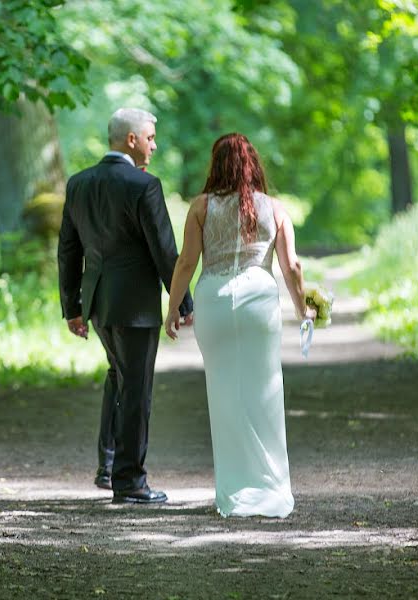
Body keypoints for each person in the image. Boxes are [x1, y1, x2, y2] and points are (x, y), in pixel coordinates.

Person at [164, 133, 316, 518]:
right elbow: (291, 266)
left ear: (216, 165)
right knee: (265, 392)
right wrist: (303, 310)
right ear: (253, 165)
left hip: (214, 301)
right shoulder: (275, 209)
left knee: (224, 395)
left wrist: (172, 308)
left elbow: (186, 263)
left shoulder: (201, 207)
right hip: (258, 302)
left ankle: (232, 492)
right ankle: (270, 489)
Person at [58, 108, 194, 504]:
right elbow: (165, 251)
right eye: (150, 137)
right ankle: (131, 482)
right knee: (136, 388)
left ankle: (109, 465)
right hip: (135, 305)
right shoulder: (144, 185)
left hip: (98, 302)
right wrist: (183, 300)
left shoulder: (78, 183)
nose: (155, 145)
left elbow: (67, 250)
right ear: (130, 139)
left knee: (118, 377)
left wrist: (72, 306)